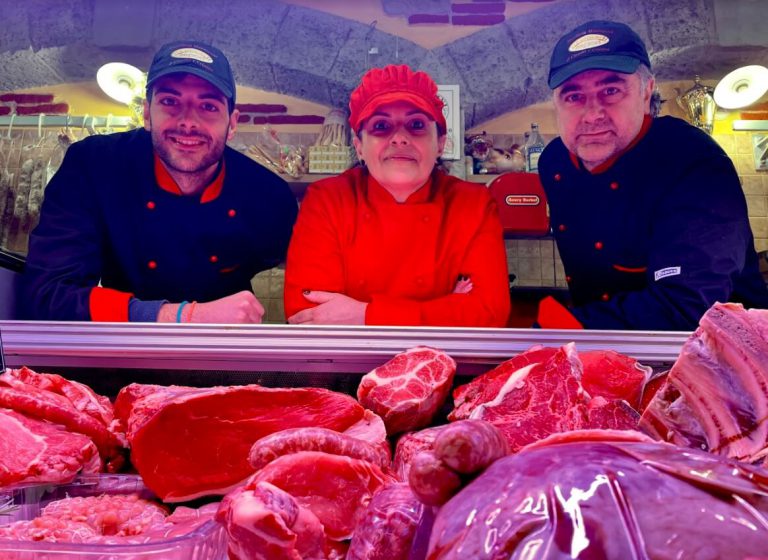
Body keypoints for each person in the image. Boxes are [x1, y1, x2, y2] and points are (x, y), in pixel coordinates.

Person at [21, 40, 298, 323]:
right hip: (125, 342)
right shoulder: (94, 167)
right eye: (169, 102)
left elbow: (307, 277)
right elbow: (47, 294)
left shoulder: (269, 196)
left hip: (224, 345)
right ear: (146, 113)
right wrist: (184, 316)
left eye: (208, 106)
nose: (188, 122)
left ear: (232, 124)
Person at [536, 20, 768, 330]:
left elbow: (687, 306)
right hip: (611, 342)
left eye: (611, 90)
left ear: (646, 92)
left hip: (724, 346)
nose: (592, 115)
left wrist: (565, 327)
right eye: (573, 96)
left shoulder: (692, 160)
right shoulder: (554, 161)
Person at [283, 64, 510, 326]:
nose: (400, 138)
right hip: (353, 357)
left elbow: (489, 313)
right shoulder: (328, 200)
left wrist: (365, 315)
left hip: (444, 355)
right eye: (381, 125)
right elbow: (306, 315)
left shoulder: (472, 204)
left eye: (416, 124)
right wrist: (445, 310)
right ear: (359, 146)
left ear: (440, 144)